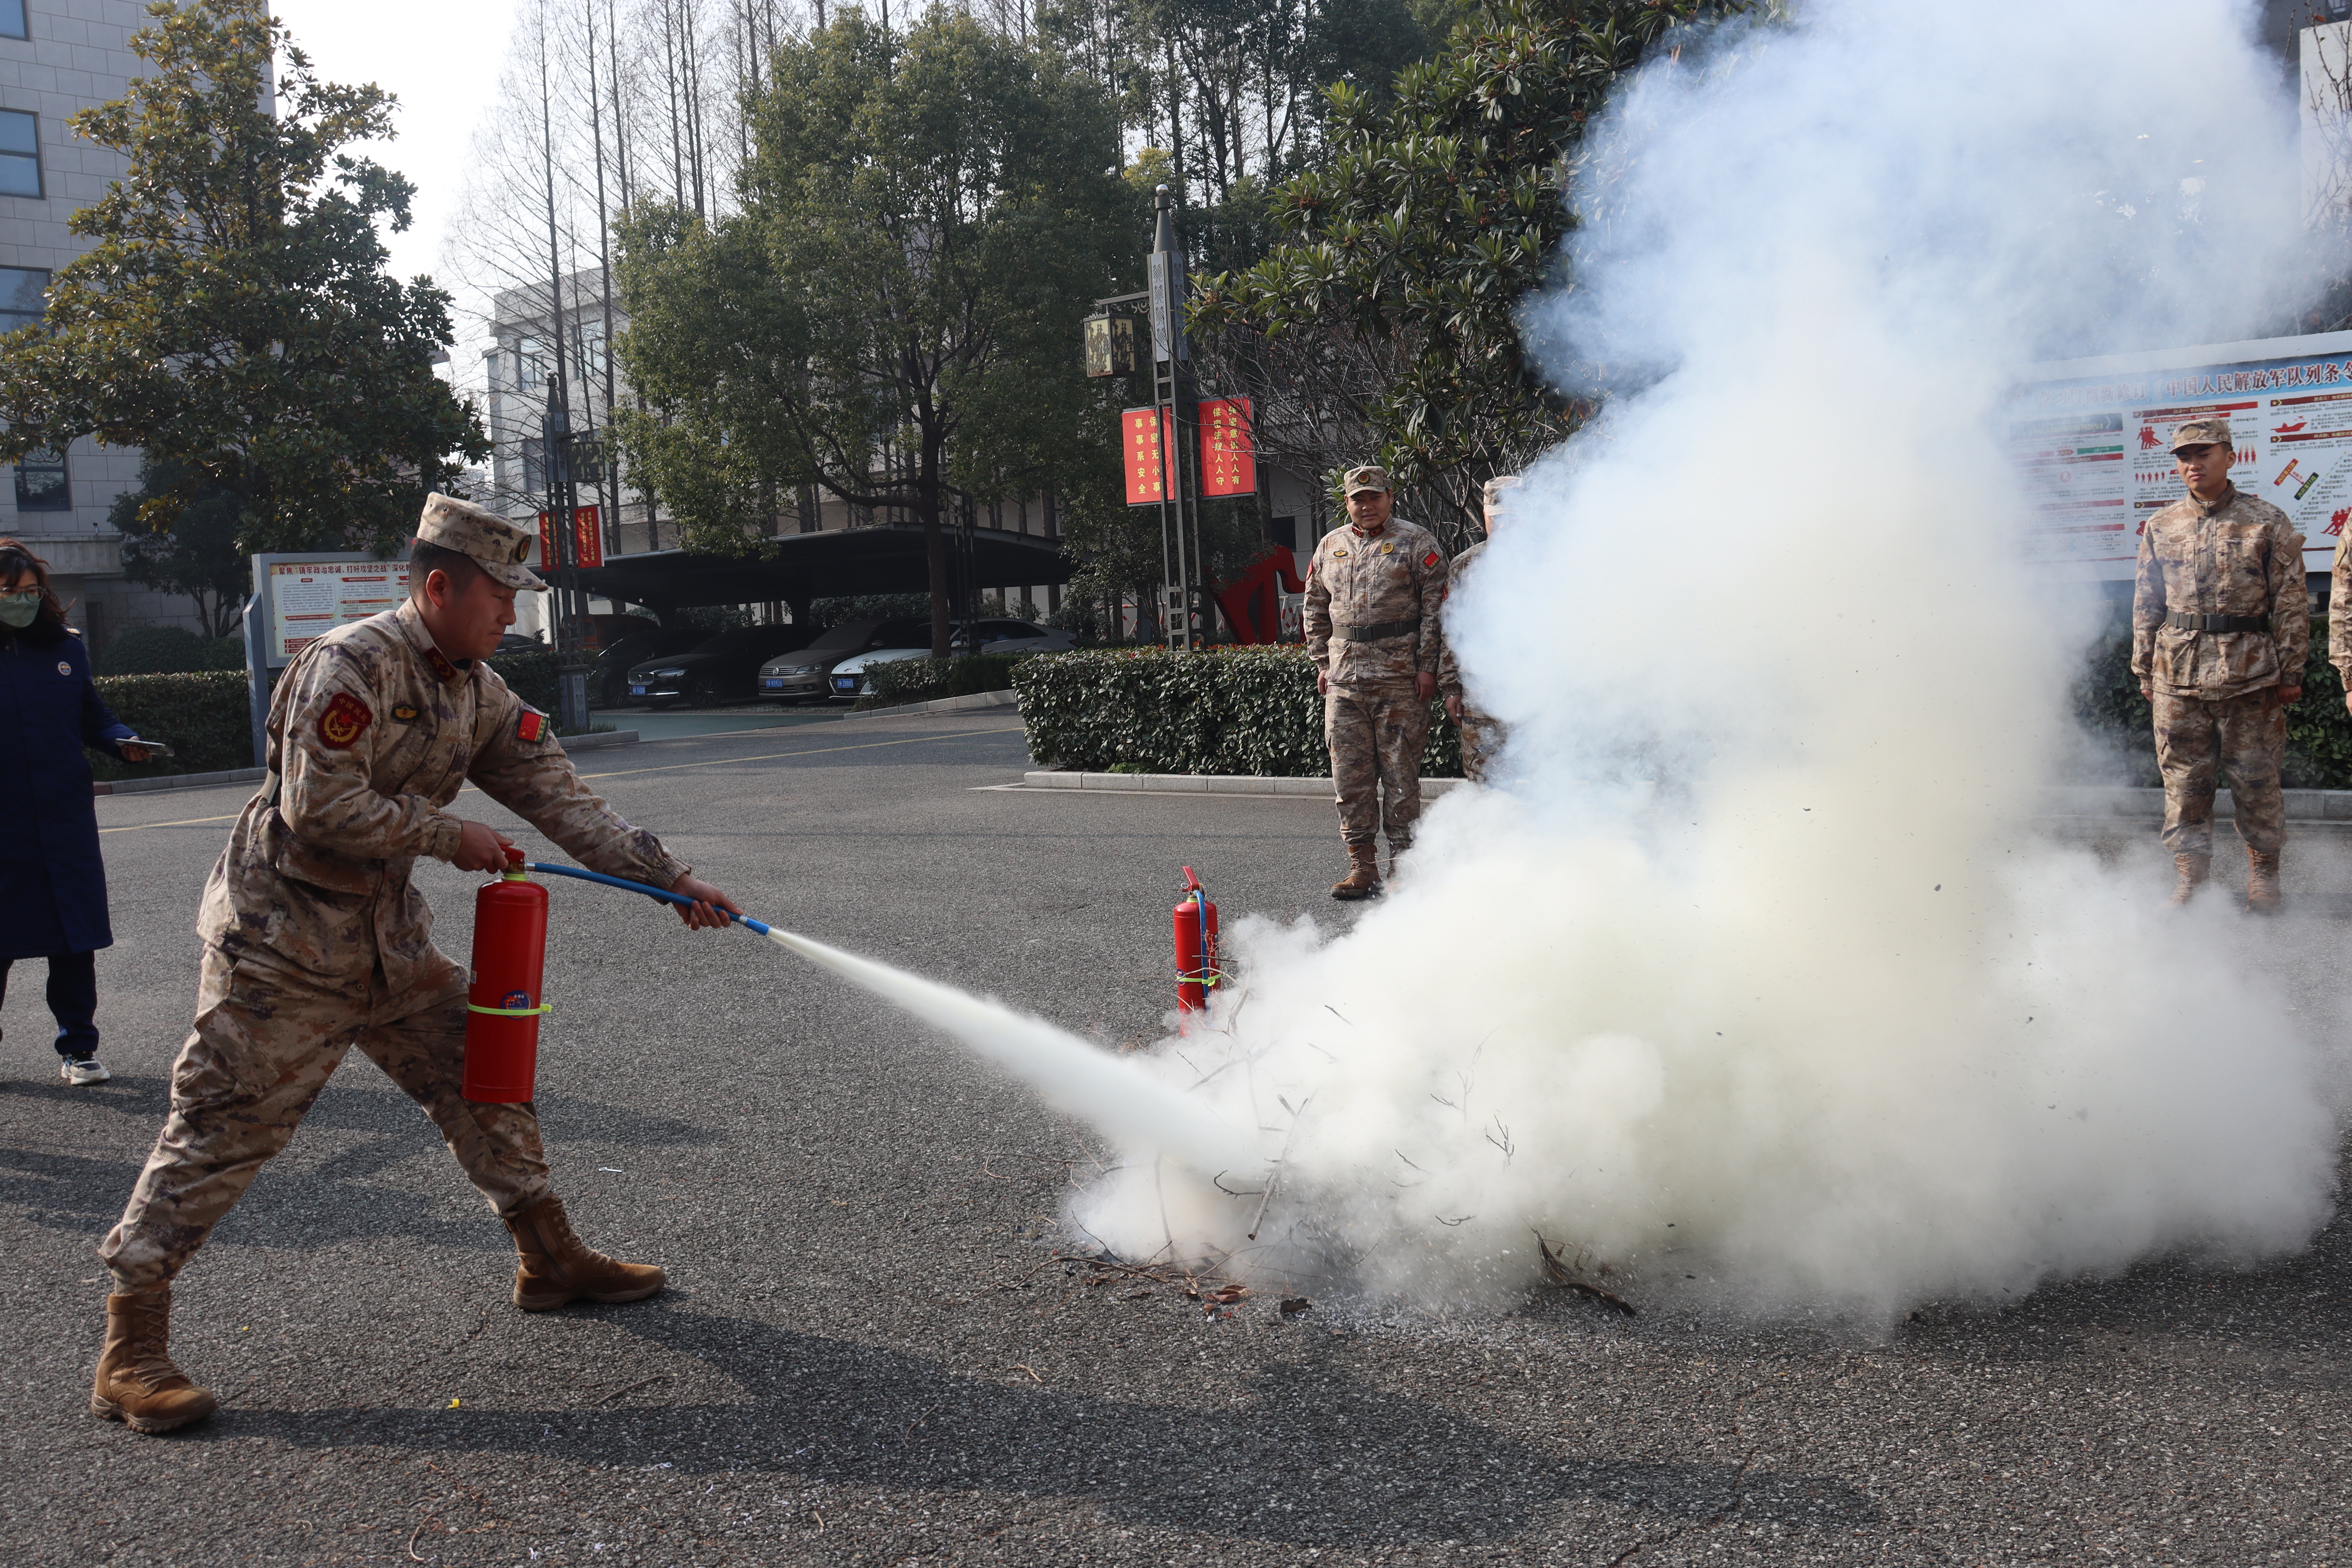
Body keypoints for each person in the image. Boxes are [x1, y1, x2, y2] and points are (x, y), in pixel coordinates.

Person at [89, 494, 743, 1435]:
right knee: (222, 1127)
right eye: (499, 599)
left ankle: (548, 1255)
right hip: (282, 949)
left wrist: (671, 879)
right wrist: (448, 833)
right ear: (440, 587)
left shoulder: (477, 689)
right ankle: (131, 1345)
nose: (510, 618)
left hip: (390, 950)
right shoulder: (348, 666)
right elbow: (319, 808)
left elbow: (565, 800)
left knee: (487, 1076)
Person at [0, 539, 159, 1087]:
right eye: (10, 592)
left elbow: (94, 714)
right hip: (6, 824)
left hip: (63, 819)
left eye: (30, 590)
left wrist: (122, 740)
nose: (23, 600)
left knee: (74, 938)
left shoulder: (63, 649)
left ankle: (79, 1049)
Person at [2131, 418, 2307, 911]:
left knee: (2256, 780)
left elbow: (2290, 602)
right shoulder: (2161, 526)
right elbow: (2147, 601)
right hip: (2177, 677)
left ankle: (2264, 876)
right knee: (2185, 784)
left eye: (2204, 453)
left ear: (2230, 456)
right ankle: (2191, 879)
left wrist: (2291, 671)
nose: (2194, 464)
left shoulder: (2265, 521)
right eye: (2185, 456)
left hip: (2248, 675)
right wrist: (2145, 668)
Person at [1303, 465, 1448, 900]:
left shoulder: (1416, 542)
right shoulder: (1331, 546)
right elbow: (1314, 605)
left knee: (1401, 775)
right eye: (1357, 499)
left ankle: (1404, 867)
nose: (1366, 506)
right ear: (1346, 503)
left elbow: (1435, 611)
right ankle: (1362, 867)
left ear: (1390, 496)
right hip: (1345, 682)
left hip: (1400, 679)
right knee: (1350, 778)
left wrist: (1427, 667)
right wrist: (1321, 660)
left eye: (1374, 497)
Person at [1439, 475, 1521, 784]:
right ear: (1486, 516)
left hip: (1535, 696)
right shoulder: (1465, 566)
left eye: (1512, 517)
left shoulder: (1547, 562)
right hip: (1480, 698)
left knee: (1538, 782)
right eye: (1497, 519)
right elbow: (1450, 630)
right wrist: (1451, 688)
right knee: (1483, 781)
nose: (1504, 526)